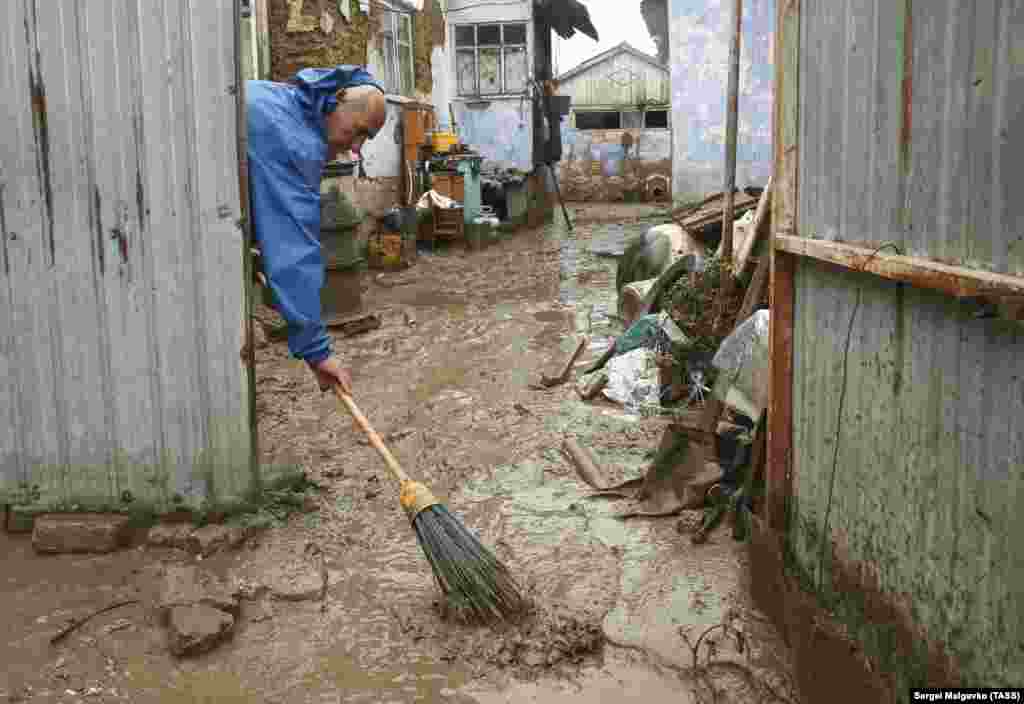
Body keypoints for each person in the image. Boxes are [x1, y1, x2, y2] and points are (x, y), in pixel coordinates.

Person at [247, 66, 388, 395]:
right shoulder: (293, 142)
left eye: (365, 139)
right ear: (334, 103)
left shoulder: (277, 100)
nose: (355, 148)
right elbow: (293, 250)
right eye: (356, 132)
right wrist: (317, 351)